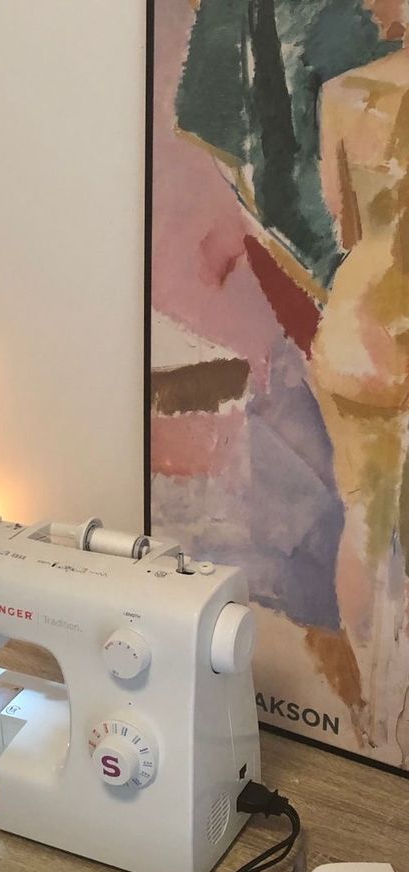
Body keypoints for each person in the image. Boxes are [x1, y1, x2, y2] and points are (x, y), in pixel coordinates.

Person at [310, 0, 409, 755]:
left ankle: (374, 721)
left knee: (363, 520)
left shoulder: (343, 94)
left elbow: (345, 225)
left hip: (353, 336)